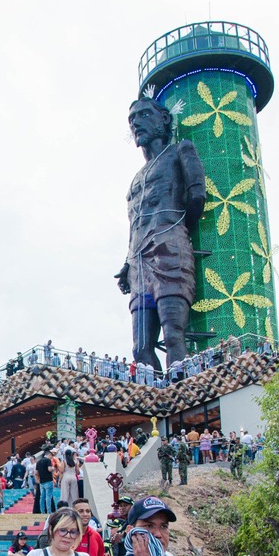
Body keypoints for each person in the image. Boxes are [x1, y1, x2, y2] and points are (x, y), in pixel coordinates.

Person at [117, 97, 206, 373]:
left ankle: (182, 390)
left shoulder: (180, 150)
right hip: (139, 263)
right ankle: (153, 397)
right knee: (140, 347)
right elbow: (133, 225)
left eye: (144, 115)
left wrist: (174, 229)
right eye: (132, 119)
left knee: (173, 335)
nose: (136, 123)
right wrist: (127, 263)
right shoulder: (135, 179)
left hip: (169, 251)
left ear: (164, 119)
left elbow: (197, 195)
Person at [35, 450, 57, 515]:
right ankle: (49, 511)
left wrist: (37, 479)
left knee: (42, 497)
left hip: (41, 481)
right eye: (51, 456)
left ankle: (42, 511)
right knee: (48, 497)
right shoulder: (48, 460)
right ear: (49, 455)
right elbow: (49, 469)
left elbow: (36, 472)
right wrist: (53, 468)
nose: (51, 458)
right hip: (48, 480)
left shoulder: (38, 462)